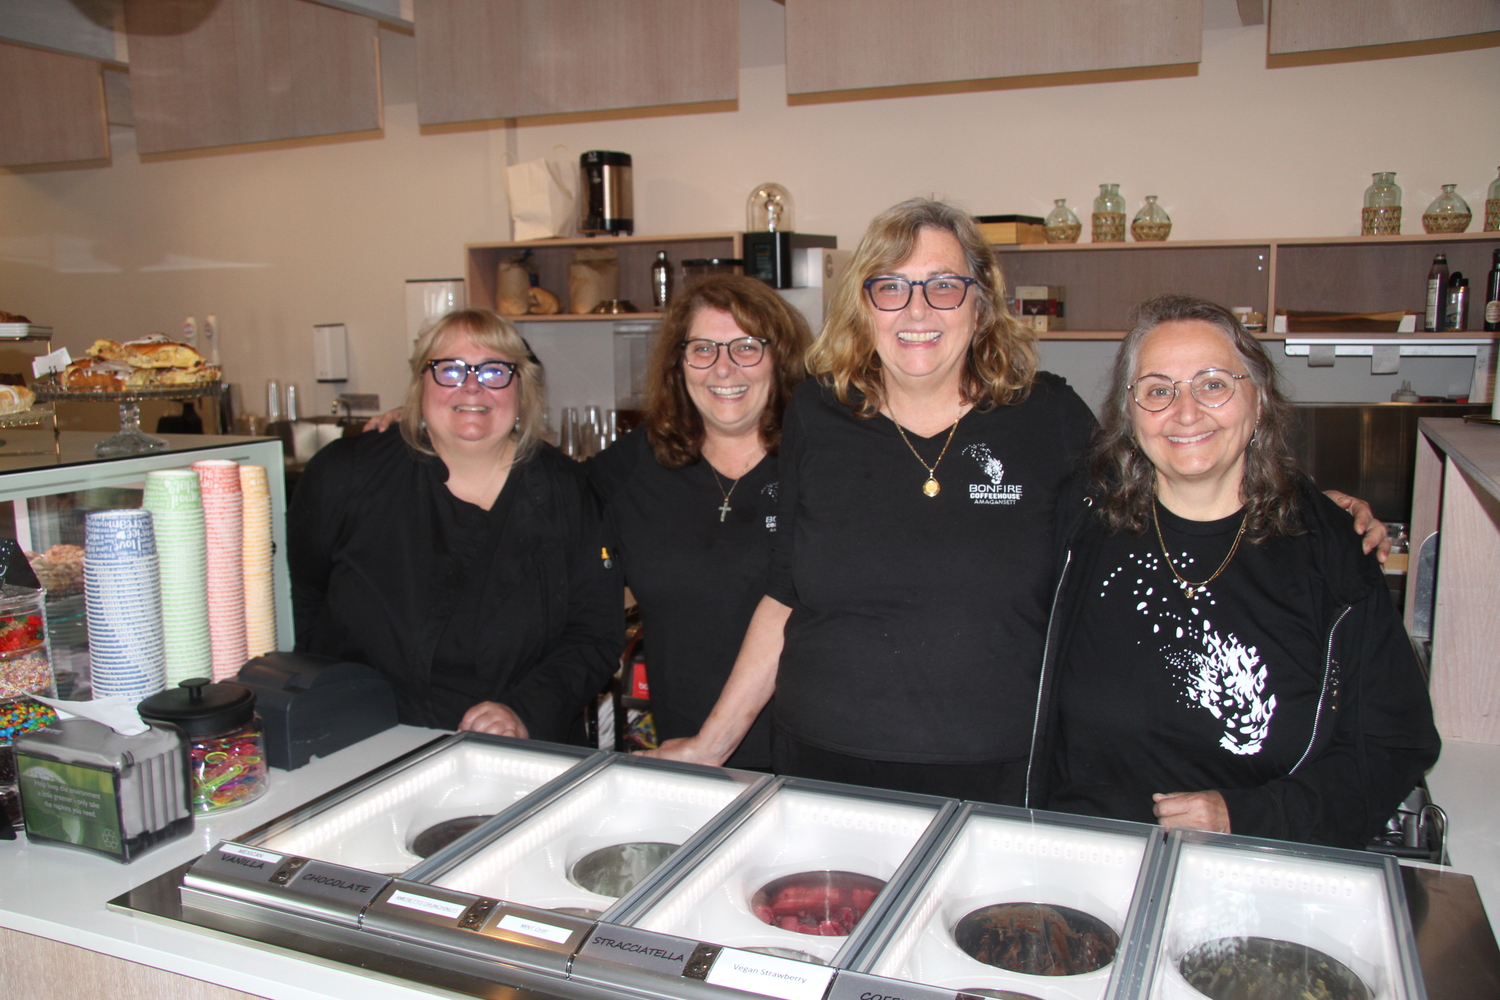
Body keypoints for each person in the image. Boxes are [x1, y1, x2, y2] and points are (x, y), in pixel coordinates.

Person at [650, 199, 1391, 805]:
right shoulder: (818, 414)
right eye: (891, 285)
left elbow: (1164, 487)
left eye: (943, 285)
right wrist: (715, 742)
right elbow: (786, 594)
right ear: (864, 306)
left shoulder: (1047, 418)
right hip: (820, 765)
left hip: (1000, 775)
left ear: (981, 306)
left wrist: (1300, 506)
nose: (918, 309)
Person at [1029, 294, 1439, 847]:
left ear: (1259, 399)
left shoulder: (1327, 549)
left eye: (1214, 384)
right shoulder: (1080, 524)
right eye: (1158, 390)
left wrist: (1248, 816)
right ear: (1129, 416)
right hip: (1085, 864)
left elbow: (1393, 743)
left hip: (1258, 866)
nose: (1186, 411)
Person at [289, 309, 622, 740]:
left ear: (520, 389)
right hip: (364, 747)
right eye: (449, 369)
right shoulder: (347, 475)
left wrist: (523, 711)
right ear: (420, 384)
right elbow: (305, 602)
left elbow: (594, 635)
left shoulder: (569, 493)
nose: (471, 386)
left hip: (515, 755)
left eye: (494, 371)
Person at [587, 275, 812, 769]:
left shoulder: (821, 462)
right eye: (703, 348)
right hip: (686, 757)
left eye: (747, 348)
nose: (724, 368)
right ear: (678, 363)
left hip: (811, 764)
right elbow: (538, 505)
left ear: (781, 359)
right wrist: (426, 431)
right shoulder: (633, 468)